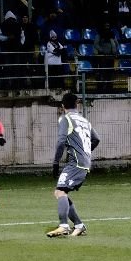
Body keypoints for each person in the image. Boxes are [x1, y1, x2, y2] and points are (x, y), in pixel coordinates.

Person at [46, 92, 100, 238]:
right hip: (84, 162)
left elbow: (61, 140)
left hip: (76, 162)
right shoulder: (84, 120)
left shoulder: (65, 118)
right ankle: (79, 225)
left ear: (63, 105)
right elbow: (96, 139)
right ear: (77, 104)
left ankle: (64, 226)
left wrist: (56, 162)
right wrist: (85, 152)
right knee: (61, 191)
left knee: (60, 192)